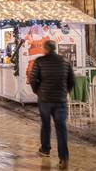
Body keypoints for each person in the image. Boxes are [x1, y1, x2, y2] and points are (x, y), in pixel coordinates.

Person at [30, 40, 74, 170]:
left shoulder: (40, 61)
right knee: (61, 128)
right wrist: (64, 92)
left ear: (45, 49)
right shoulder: (65, 61)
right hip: (60, 100)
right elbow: (71, 80)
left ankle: (45, 149)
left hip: (45, 99)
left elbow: (33, 79)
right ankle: (64, 158)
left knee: (45, 125)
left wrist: (38, 91)